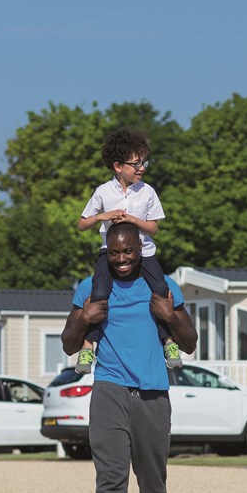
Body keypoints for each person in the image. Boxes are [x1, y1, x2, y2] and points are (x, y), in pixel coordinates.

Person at [60, 222, 198, 493]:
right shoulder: (90, 288)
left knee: (153, 479)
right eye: (115, 252)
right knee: (110, 477)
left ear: (141, 250)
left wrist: (170, 316)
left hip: (153, 392)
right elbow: (69, 343)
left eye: (129, 252)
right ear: (107, 249)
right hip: (108, 390)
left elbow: (189, 342)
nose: (122, 259)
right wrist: (85, 319)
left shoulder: (164, 287)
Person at [74, 126, 181, 373]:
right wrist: (104, 216)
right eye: (135, 163)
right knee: (99, 292)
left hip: (144, 252)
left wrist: (132, 219)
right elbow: (81, 225)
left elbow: (153, 228)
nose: (141, 168)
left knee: (161, 289)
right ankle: (88, 348)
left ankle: (169, 342)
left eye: (144, 162)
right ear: (117, 167)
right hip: (109, 252)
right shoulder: (102, 191)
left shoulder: (148, 192)